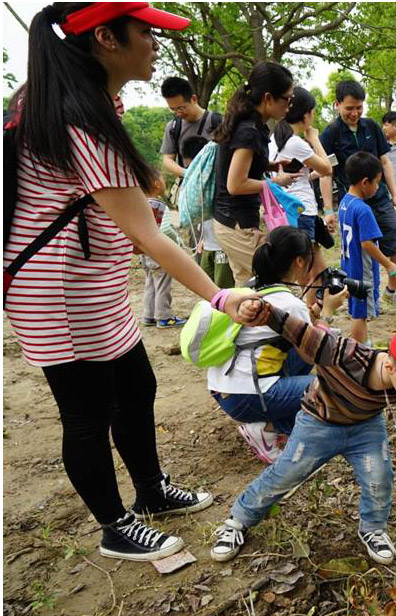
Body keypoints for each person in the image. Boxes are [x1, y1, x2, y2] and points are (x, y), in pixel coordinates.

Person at [5, 2, 263, 562]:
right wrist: (221, 295)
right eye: (146, 31)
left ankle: (150, 490)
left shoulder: (86, 100)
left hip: (95, 280)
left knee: (137, 386)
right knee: (86, 415)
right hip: (57, 292)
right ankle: (114, 525)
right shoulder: (79, 118)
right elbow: (149, 235)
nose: (155, 43)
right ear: (106, 38)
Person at [209, 316, 396, 565]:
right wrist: (265, 310)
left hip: (366, 427)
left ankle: (373, 528)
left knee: (380, 477)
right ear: (390, 367)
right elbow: (301, 331)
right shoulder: (344, 354)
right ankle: (238, 521)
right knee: (286, 473)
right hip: (318, 423)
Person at [208, 226, 336, 464]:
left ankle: (281, 426)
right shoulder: (289, 303)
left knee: (298, 350)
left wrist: (314, 318)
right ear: (299, 261)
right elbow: (317, 355)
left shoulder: (252, 287)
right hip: (246, 396)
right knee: (329, 386)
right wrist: (327, 313)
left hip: (224, 389)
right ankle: (266, 428)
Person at [320, 81, 396, 312]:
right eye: (349, 108)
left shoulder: (370, 127)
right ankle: (354, 299)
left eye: (359, 107)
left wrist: (395, 195)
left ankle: (392, 291)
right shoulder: (330, 134)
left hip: (379, 198)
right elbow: (326, 172)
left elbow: (385, 161)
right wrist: (329, 209)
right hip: (352, 202)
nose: (355, 113)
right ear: (337, 104)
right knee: (356, 257)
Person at [212, 61, 296, 286]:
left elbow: (241, 165)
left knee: (247, 291)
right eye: (287, 99)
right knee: (276, 281)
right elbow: (235, 184)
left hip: (232, 223)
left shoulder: (252, 126)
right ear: (268, 98)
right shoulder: (248, 131)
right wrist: (275, 183)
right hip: (236, 224)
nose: (289, 106)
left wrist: (268, 166)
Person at [337, 152, 396, 344]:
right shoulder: (363, 210)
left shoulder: (345, 203)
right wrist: (388, 264)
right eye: (377, 182)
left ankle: (362, 344)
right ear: (365, 182)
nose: (378, 187)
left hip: (348, 266)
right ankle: (360, 349)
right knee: (360, 314)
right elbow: (367, 243)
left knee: (357, 309)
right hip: (362, 271)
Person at [269, 86, 333, 222]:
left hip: (284, 209)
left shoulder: (274, 138)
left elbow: (290, 178)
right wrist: (314, 139)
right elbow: (327, 169)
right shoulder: (295, 143)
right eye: (313, 113)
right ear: (306, 115)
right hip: (302, 210)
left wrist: (310, 175)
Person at [180, 134, 235, 289]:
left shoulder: (220, 181)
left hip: (222, 246)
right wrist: (202, 238)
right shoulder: (201, 185)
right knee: (207, 289)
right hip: (208, 245)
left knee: (223, 289)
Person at [141, 178, 186, 328]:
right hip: (160, 252)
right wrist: (177, 240)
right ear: (156, 183)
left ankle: (148, 315)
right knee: (162, 284)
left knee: (150, 283)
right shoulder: (159, 205)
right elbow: (166, 229)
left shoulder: (140, 203)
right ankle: (164, 317)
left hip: (145, 252)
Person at [159, 76, 221, 180]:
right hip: (188, 185)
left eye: (181, 108)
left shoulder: (217, 122)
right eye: (173, 109)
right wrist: (188, 173)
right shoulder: (173, 127)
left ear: (194, 99)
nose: (178, 113)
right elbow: (167, 159)